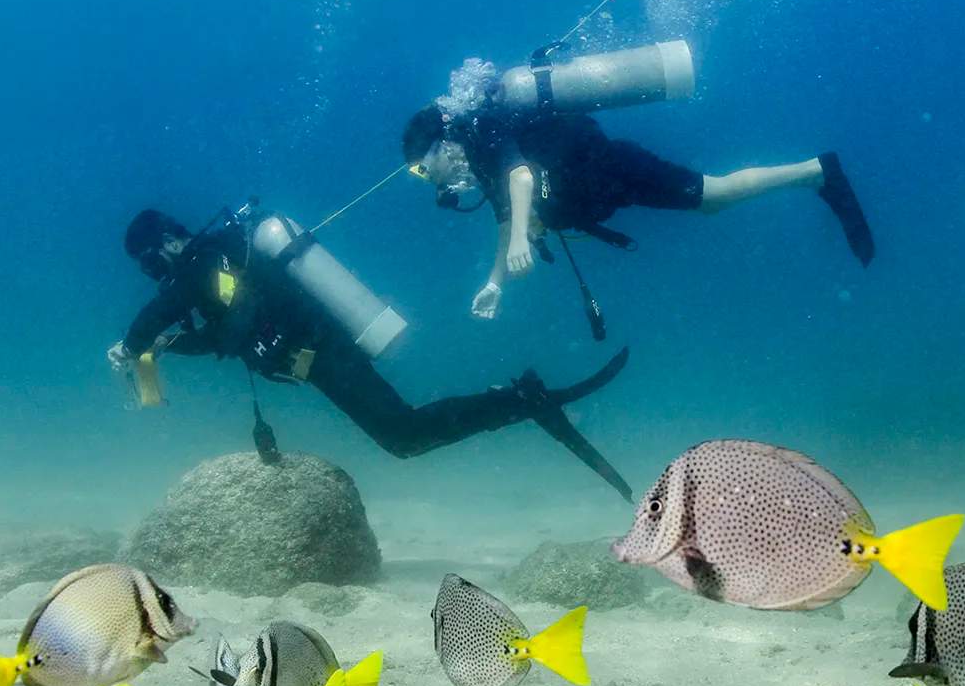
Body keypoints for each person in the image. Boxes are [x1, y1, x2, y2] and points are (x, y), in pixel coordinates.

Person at [107, 207, 633, 497]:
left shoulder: (205, 260)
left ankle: (521, 399)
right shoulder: (211, 269)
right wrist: (168, 345)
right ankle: (517, 399)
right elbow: (223, 336)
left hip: (325, 353)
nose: (152, 275)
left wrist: (133, 345)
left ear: (168, 243)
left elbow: (172, 308)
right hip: (317, 358)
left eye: (149, 262)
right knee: (403, 435)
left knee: (403, 435)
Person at [402, 85, 874, 322]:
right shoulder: (482, 163)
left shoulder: (486, 134)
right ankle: (816, 173)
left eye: (422, 169)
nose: (427, 179)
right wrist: (495, 283)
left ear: (441, 145)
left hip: (615, 170)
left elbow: (522, 179)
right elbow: (508, 220)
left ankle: (819, 172)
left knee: (714, 194)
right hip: (603, 188)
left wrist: (526, 233)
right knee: (714, 198)